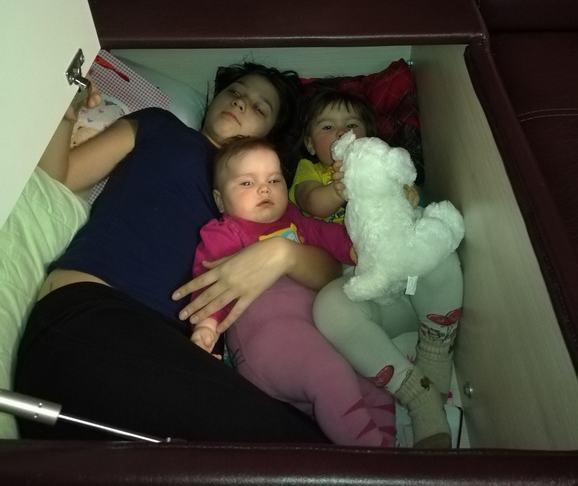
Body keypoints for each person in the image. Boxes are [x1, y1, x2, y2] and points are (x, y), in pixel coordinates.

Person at [14, 62, 343, 444]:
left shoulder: (269, 199)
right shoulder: (161, 126)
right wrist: (65, 111)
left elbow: (331, 273)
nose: (240, 103)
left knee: (312, 439)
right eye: (235, 92)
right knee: (295, 449)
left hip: (177, 350)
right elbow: (62, 177)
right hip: (92, 316)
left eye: (259, 107)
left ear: (270, 136)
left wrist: (282, 254)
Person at [191, 136, 396, 447]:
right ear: (221, 201)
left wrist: (355, 249)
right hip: (267, 340)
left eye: (274, 180)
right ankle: (375, 462)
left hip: (311, 338)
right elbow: (210, 281)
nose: (264, 189)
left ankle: (392, 450)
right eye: (247, 183)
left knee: (376, 392)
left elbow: (327, 234)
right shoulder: (226, 232)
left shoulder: (294, 219)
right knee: (331, 378)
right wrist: (206, 326)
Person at [290, 87, 464, 448]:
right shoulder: (311, 171)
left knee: (439, 255)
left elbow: (409, 195)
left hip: (410, 282)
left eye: (352, 125)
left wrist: (408, 194)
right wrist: (339, 190)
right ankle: (417, 393)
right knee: (328, 308)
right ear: (309, 143)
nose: (341, 133)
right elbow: (312, 202)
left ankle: (436, 350)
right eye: (327, 127)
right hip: (362, 286)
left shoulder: (381, 163)